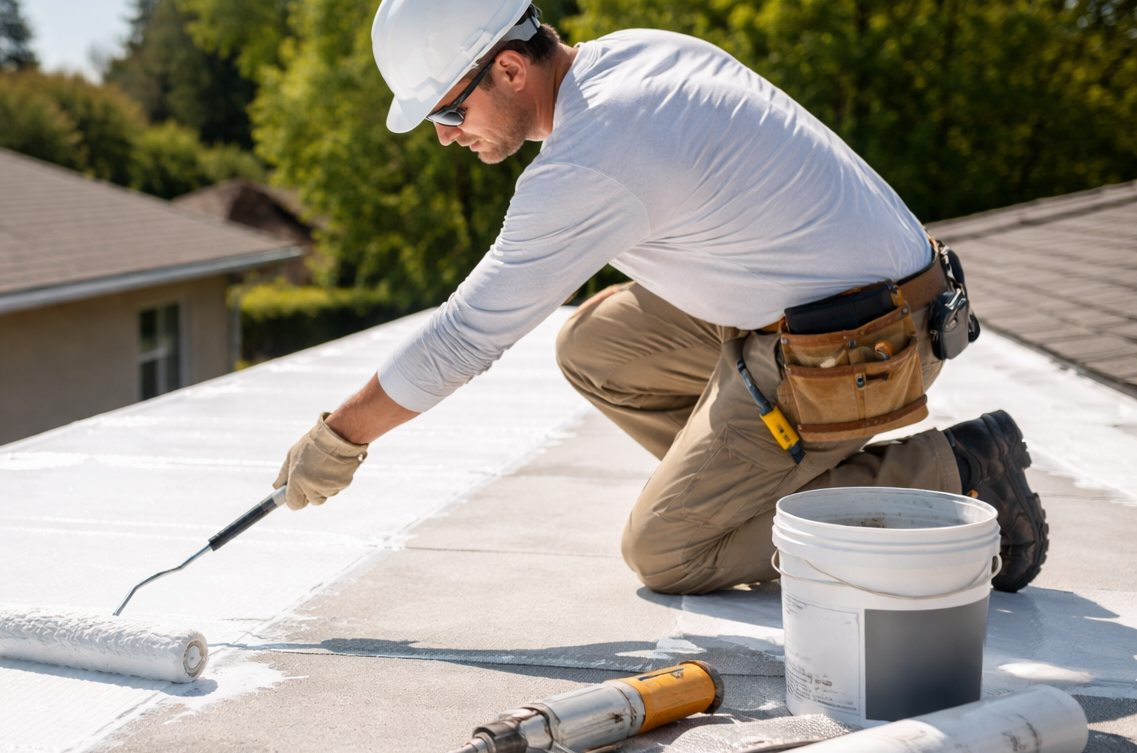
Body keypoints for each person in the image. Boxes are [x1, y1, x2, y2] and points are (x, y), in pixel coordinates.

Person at [272, 0, 1049, 594]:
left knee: (671, 550)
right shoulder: (632, 55)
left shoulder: (592, 157)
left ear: (510, 69)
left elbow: (464, 337)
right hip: (858, 303)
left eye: (448, 111)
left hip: (864, 343)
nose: (445, 136)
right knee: (593, 345)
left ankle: (955, 468)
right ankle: (757, 481)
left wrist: (343, 436)